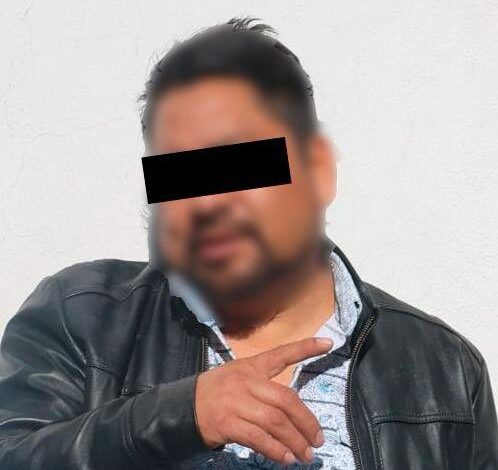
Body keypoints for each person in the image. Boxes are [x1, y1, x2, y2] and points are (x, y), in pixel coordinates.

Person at [0, 16, 496, 470]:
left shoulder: (446, 371)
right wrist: (177, 417)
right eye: (180, 175)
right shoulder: (81, 317)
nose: (208, 202)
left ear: (319, 170)